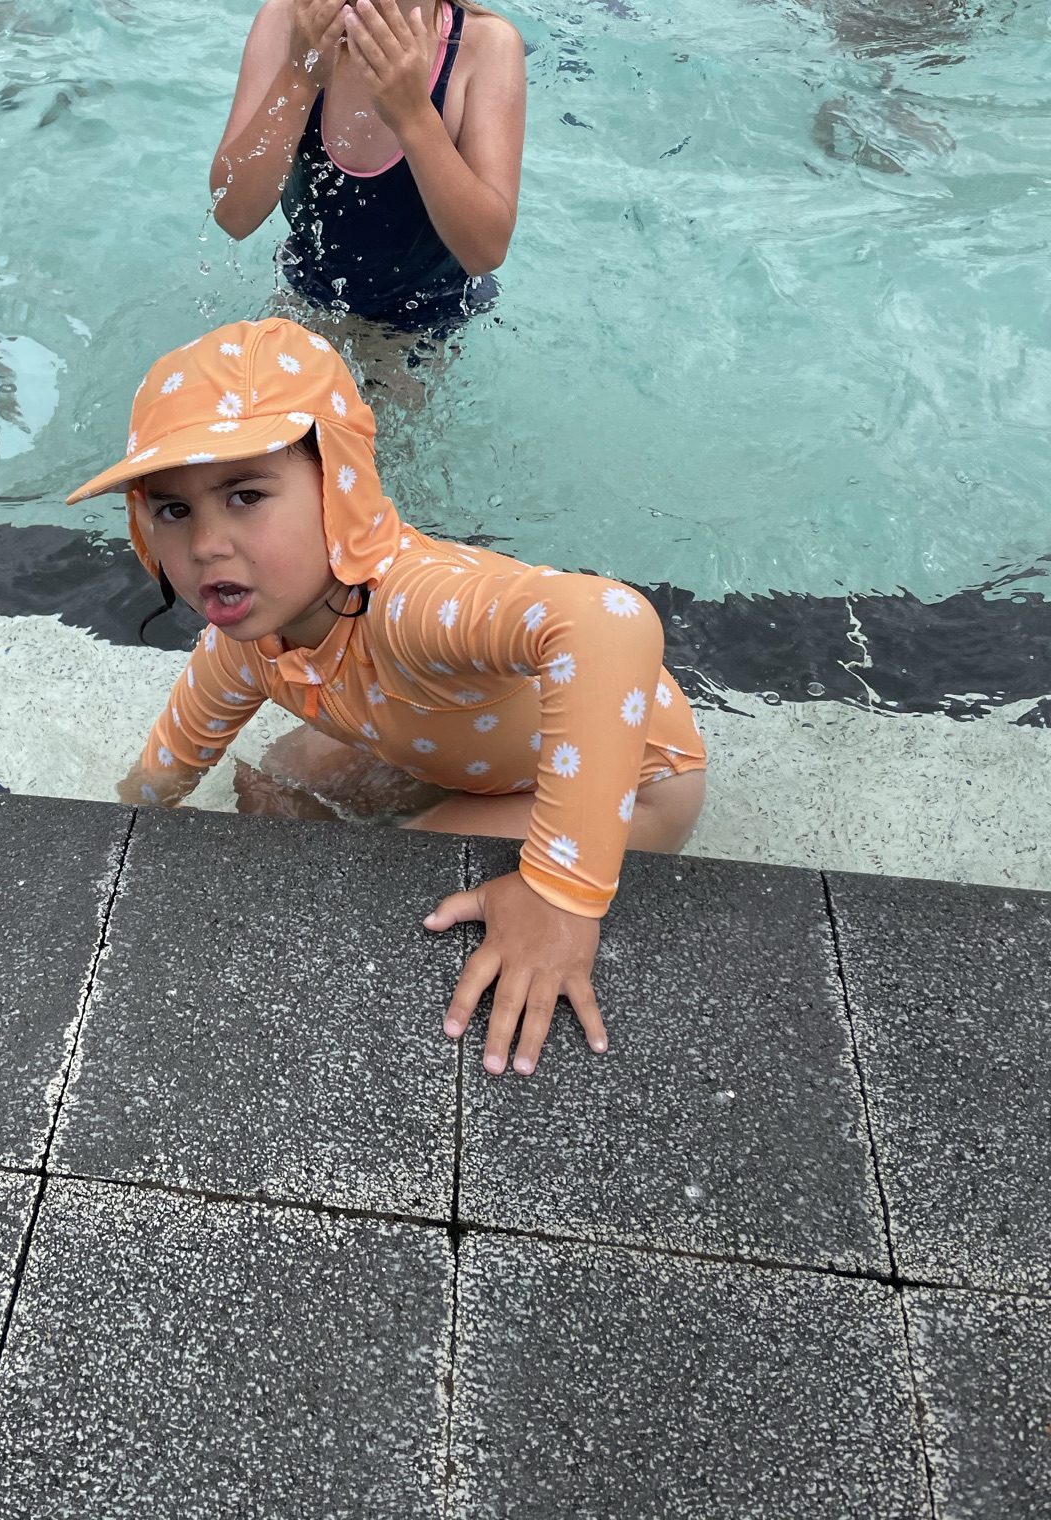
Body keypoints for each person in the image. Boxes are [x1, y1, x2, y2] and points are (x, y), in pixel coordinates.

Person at [67, 317, 707, 1074]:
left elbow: (608, 622)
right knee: (275, 775)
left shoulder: (410, 607)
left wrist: (561, 896)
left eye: (244, 495)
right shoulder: (241, 646)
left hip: (635, 779)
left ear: (340, 487)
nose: (206, 545)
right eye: (173, 510)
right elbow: (163, 772)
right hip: (453, 734)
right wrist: (102, 846)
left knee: (377, 879)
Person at [209, 0, 525, 343]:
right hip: (310, 292)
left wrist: (414, 115)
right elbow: (233, 214)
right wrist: (300, 75)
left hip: (429, 318)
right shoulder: (283, 25)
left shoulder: (484, 50)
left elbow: (484, 250)